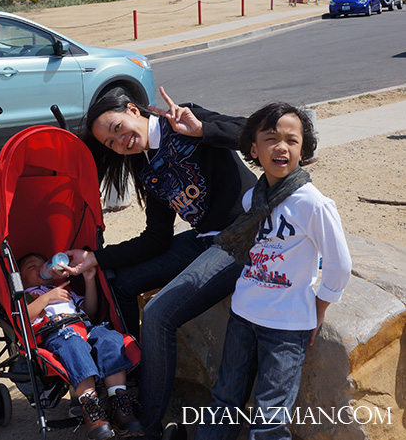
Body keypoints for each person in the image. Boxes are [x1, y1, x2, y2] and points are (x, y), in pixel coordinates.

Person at [68, 87, 256, 440]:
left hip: (243, 236)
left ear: (132, 109)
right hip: (204, 239)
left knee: (158, 315)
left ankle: (148, 425)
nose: (119, 141)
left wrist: (202, 130)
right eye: (110, 143)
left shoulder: (183, 119)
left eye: (117, 128)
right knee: (118, 282)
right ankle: (127, 384)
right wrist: (96, 258)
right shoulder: (144, 166)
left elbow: (252, 134)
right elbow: (156, 238)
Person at [195, 102, 352, 439]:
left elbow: (340, 264)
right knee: (224, 398)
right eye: (271, 138)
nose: (281, 147)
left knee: (269, 418)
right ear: (254, 148)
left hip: (285, 325)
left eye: (292, 141)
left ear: (303, 150)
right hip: (243, 314)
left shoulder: (312, 203)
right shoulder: (254, 198)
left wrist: (319, 309)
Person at [19, 253, 144, 440]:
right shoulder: (28, 296)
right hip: (58, 331)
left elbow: (90, 310)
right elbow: (23, 319)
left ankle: (119, 401)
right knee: (74, 345)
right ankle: (91, 406)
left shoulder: (63, 290)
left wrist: (89, 280)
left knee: (110, 339)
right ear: (20, 279)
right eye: (31, 266)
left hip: (86, 326)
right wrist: (46, 298)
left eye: (43, 263)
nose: (41, 268)